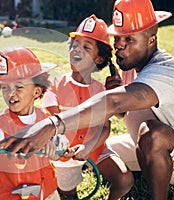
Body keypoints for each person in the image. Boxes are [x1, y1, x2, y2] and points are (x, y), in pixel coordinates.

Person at [0, 0, 174, 199]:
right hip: (155, 147)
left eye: (129, 39)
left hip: (172, 152)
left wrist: (52, 125)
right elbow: (120, 112)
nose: (119, 45)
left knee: (152, 134)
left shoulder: (167, 69)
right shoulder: (132, 68)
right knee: (102, 154)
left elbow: (113, 102)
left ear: (151, 40)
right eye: (117, 37)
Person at [42, 14, 133, 200]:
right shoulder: (55, 84)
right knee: (68, 192)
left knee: (125, 180)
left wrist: (89, 146)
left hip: (94, 146)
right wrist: (62, 148)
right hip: (62, 151)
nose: (77, 50)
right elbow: (51, 123)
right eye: (75, 45)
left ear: (99, 59)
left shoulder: (101, 91)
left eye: (86, 47)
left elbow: (105, 127)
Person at [0, 46, 69, 200]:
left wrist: (57, 150)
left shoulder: (45, 118)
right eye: (5, 87)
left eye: (19, 86)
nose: (10, 93)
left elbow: (60, 148)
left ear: (37, 91)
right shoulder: (1, 125)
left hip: (49, 192)